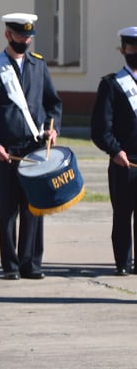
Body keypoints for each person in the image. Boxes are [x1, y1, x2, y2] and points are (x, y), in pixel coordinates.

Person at [0, 12, 62, 281]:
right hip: (5, 151)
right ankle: (10, 266)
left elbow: (52, 103)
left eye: (28, 37)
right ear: (7, 35)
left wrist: (53, 127)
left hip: (34, 148)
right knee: (8, 210)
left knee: (34, 208)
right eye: (20, 36)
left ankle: (31, 263)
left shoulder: (38, 65)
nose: (25, 41)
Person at [91, 27, 137, 276]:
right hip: (124, 163)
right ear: (123, 51)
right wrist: (115, 151)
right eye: (132, 49)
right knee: (122, 215)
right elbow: (100, 129)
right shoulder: (111, 84)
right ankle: (122, 262)